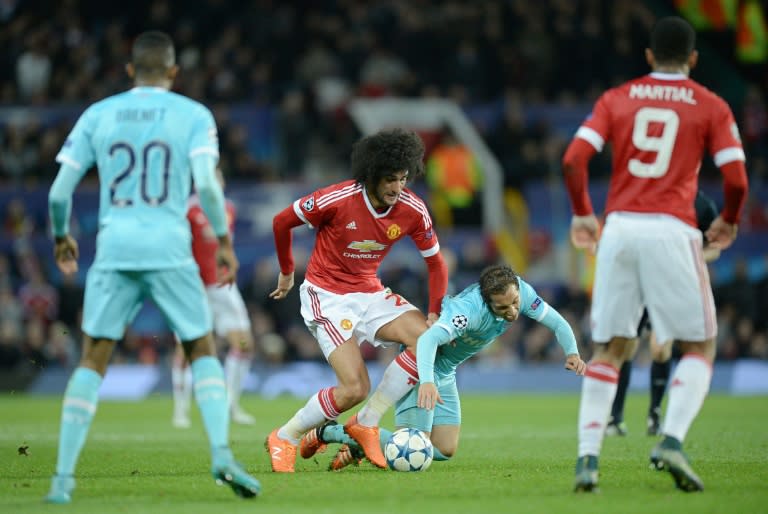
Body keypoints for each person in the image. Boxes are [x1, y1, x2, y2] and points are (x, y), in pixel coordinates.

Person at [44, 31, 260, 503]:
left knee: (93, 357)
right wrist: (223, 241)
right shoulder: (193, 115)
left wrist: (62, 237)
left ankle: (62, 479)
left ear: (129, 71)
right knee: (202, 347)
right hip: (170, 248)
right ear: (174, 71)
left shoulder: (98, 114)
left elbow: (59, 192)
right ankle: (222, 454)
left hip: (115, 246)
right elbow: (206, 185)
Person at [562, 16, 748, 493]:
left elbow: (574, 158)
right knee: (700, 345)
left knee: (612, 348)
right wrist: (728, 217)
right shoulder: (710, 105)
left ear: (647, 56)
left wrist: (584, 214)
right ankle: (671, 439)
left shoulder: (617, 98)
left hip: (620, 227)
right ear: (693, 59)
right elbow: (736, 178)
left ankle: (587, 460)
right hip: (672, 227)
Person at [265, 128, 449, 472]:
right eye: (390, 179)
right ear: (371, 175)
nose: (397, 188)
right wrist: (288, 270)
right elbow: (281, 221)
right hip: (327, 296)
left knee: (426, 339)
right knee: (354, 387)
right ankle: (285, 436)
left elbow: (436, 264)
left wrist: (435, 312)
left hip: (369, 292)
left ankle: (366, 422)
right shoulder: (336, 199)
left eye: (404, 178)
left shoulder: (413, 209)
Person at [299, 264, 586, 470]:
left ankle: (357, 443)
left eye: (514, 304)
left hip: (446, 371)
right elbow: (426, 340)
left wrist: (572, 352)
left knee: (444, 450)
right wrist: (426, 380)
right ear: (487, 304)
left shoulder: (518, 290)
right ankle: (333, 432)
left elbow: (556, 321)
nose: (512, 312)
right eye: (502, 309)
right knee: (414, 447)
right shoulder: (465, 313)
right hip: (422, 366)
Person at [605, 190, 722, 437]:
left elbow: (715, 248)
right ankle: (615, 417)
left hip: (671, 285)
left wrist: (690, 258)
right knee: (626, 346)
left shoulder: (703, 206)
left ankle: (655, 413)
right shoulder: (657, 195)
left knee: (660, 348)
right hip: (640, 283)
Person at [172, 168, 256, 428]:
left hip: (223, 286)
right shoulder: (187, 210)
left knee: (244, 344)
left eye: (218, 178)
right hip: (195, 288)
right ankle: (181, 410)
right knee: (187, 348)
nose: (215, 183)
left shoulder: (227, 208)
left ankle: (231, 405)